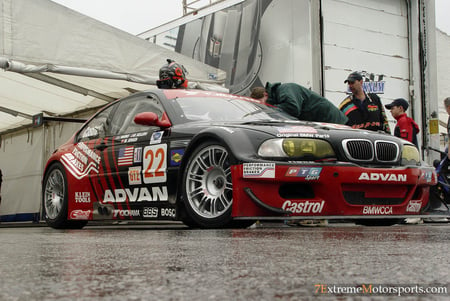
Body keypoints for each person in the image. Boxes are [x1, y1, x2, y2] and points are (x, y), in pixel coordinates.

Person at [250, 82, 348, 125]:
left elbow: (293, 108)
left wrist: (270, 109)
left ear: (265, 94)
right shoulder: (278, 98)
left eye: (262, 103)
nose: (264, 107)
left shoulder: (285, 89)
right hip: (323, 122)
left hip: (333, 121)